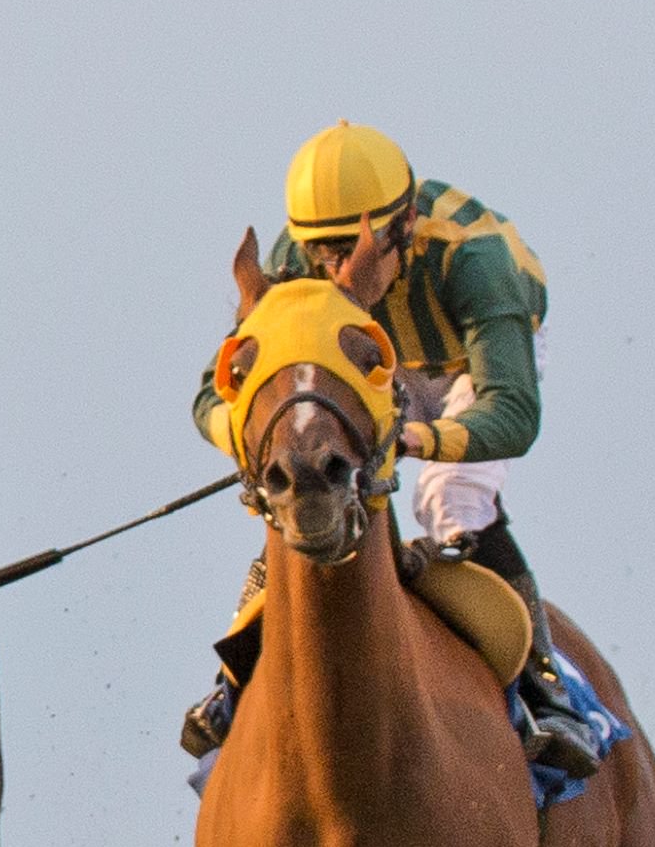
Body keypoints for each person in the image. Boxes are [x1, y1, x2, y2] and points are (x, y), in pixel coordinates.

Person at [181, 122, 607, 779]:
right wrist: (253, 440)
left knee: (452, 498)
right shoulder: (298, 259)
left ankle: (546, 688)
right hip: (376, 359)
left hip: (476, 360)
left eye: (352, 250)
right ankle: (232, 680)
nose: (335, 271)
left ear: (403, 226)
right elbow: (215, 390)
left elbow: (515, 414)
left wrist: (410, 438)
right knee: (299, 495)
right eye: (321, 253)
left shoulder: (475, 259)